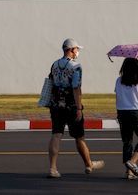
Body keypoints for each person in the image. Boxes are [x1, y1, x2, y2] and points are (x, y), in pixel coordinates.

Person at [46, 38, 105, 179]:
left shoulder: (54, 64)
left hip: (56, 105)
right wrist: (79, 108)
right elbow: (76, 88)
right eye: (77, 49)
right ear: (71, 50)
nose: (78, 52)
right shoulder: (76, 66)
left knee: (56, 135)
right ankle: (88, 164)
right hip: (71, 106)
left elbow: (52, 81)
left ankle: (53, 168)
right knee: (79, 137)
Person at [115, 57, 138, 179]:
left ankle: (128, 172)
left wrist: (118, 112)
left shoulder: (119, 80)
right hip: (136, 112)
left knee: (127, 141)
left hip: (122, 112)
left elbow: (117, 96)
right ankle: (133, 162)